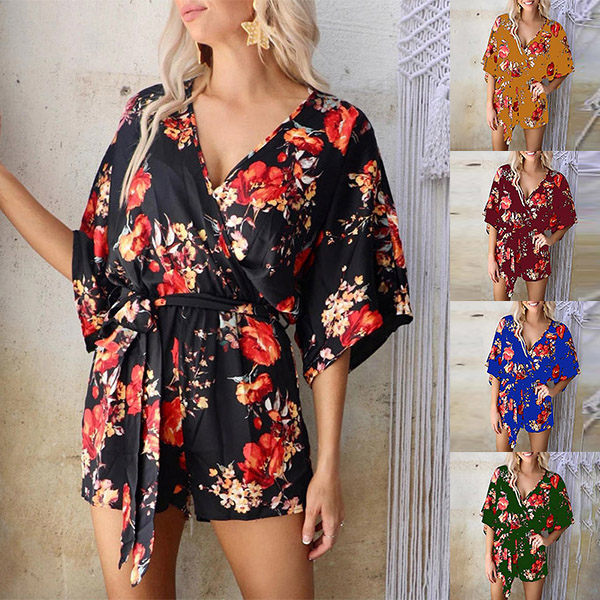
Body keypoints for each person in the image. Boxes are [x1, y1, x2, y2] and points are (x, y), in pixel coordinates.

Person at [0, 0, 413, 597]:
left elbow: (338, 313)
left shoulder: (335, 132)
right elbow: (94, 266)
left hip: (252, 396)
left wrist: (328, 466)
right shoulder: (151, 117)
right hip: (132, 388)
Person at [486, 301, 579, 451]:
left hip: (538, 402)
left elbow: (571, 368)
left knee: (539, 454)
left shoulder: (559, 331)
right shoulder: (507, 324)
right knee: (503, 454)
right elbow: (495, 368)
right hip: (507, 402)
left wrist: (553, 391)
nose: (532, 301)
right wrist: (493, 408)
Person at [483, 150, 577, 301]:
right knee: (500, 302)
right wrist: (491, 257)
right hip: (504, 250)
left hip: (536, 251)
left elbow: (568, 217)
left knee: (536, 303)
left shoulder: (556, 180)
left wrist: (551, 239)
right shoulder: (504, 174)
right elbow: (492, 217)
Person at [482, 0, 574, 150]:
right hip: (502, 100)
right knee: (497, 152)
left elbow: (566, 66)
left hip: (534, 101)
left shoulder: (553, 30)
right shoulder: (502, 23)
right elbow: (491, 66)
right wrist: (489, 106)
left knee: (534, 151)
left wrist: (548, 88)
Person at [481, 452, 574, 599]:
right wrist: (488, 558)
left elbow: (565, 517)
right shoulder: (502, 474)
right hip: (502, 550)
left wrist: (548, 540)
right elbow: (489, 517)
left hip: (533, 550)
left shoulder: (553, 481)